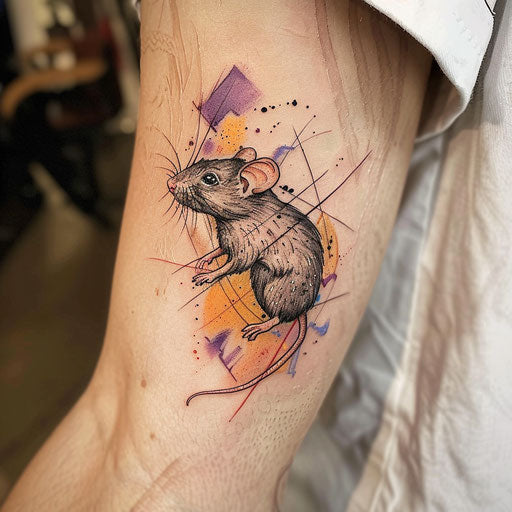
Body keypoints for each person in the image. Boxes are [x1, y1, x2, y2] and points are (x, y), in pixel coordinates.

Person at [3, 0, 510, 511]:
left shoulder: (254, 224)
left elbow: (183, 468)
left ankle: (272, 322)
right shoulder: (238, 217)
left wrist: (230, 282)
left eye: (206, 180)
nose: (180, 184)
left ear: (248, 185)